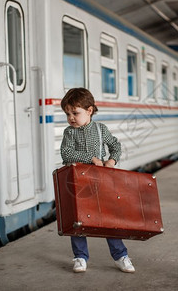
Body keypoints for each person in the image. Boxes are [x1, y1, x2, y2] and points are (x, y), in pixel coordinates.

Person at [60, 87, 135, 274]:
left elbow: (115, 145)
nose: (71, 118)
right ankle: (80, 257)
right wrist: (90, 159)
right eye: (67, 113)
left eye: (75, 113)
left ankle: (120, 256)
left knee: (108, 218)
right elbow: (66, 153)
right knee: (78, 220)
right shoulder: (69, 133)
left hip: (100, 181)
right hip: (77, 182)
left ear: (90, 110)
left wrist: (112, 160)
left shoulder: (101, 129)